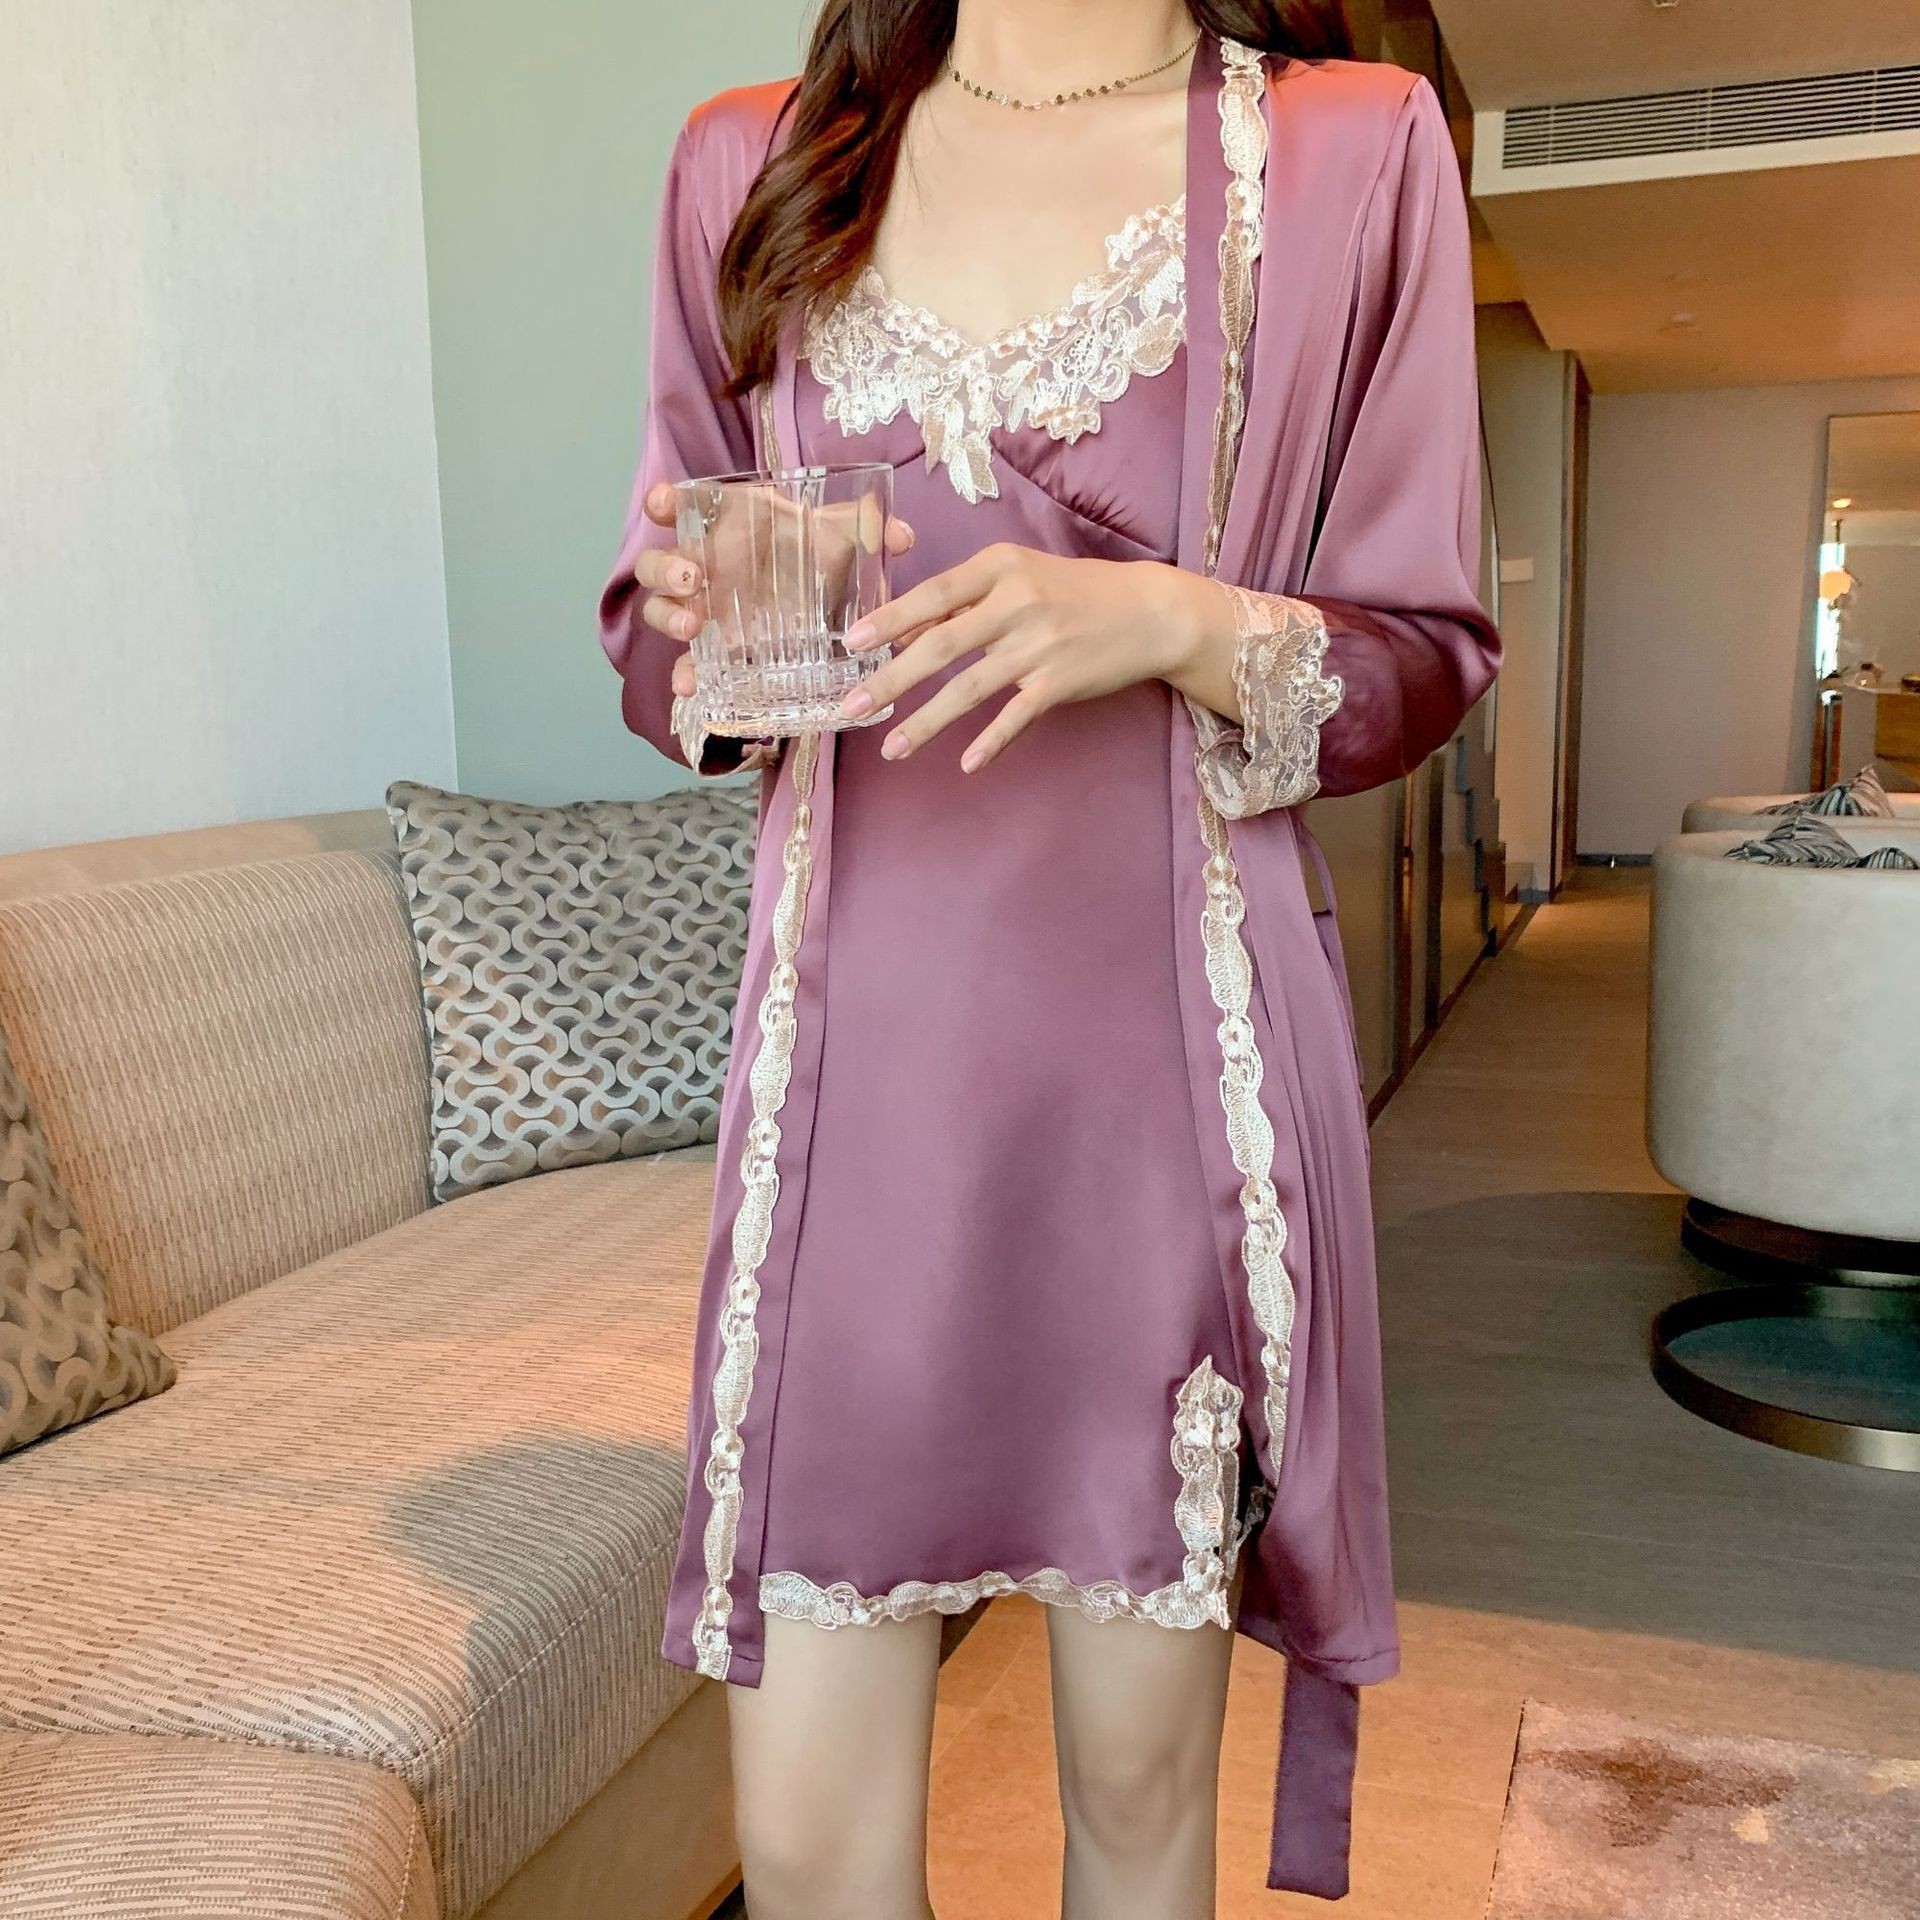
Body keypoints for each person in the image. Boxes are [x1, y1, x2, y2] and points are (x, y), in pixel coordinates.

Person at [599, 3, 1499, 1914]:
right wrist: (686, 619)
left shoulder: (1350, 148)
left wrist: (1168, 619)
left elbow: (1420, 651)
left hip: (1157, 1090)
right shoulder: (747, 155)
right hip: (851, 1105)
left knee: (1139, 1803)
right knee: (807, 1850)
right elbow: (662, 635)